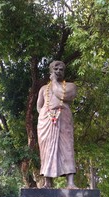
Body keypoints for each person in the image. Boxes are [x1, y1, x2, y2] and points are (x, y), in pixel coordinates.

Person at [37, 61, 77, 189]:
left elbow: (62, 95)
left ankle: (70, 183)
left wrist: (54, 81)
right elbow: (39, 106)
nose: (58, 71)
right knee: (46, 150)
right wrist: (46, 115)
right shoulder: (43, 89)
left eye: (61, 69)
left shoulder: (70, 86)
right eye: (56, 69)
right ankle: (47, 182)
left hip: (64, 119)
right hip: (46, 122)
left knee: (67, 148)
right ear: (51, 71)